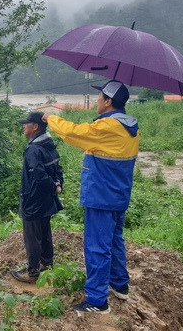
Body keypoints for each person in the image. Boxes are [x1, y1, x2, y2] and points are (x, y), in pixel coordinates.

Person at [42, 80, 139, 314]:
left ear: (108, 102)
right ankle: (120, 285)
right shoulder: (129, 126)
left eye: (100, 96)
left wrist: (49, 118)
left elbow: (74, 133)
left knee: (97, 247)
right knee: (115, 240)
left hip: (101, 197)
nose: (97, 100)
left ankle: (97, 300)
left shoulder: (107, 127)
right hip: (118, 196)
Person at [11, 111, 64, 283]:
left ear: (35, 127)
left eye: (26, 124)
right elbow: (57, 168)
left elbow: (39, 176)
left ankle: (32, 272)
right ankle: (46, 264)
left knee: (32, 236)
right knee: (45, 232)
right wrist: (57, 185)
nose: (24, 127)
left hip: (33, 199)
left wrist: (51, 186)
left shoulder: (33, 150)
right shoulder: (49, 145)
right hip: (47, 200)